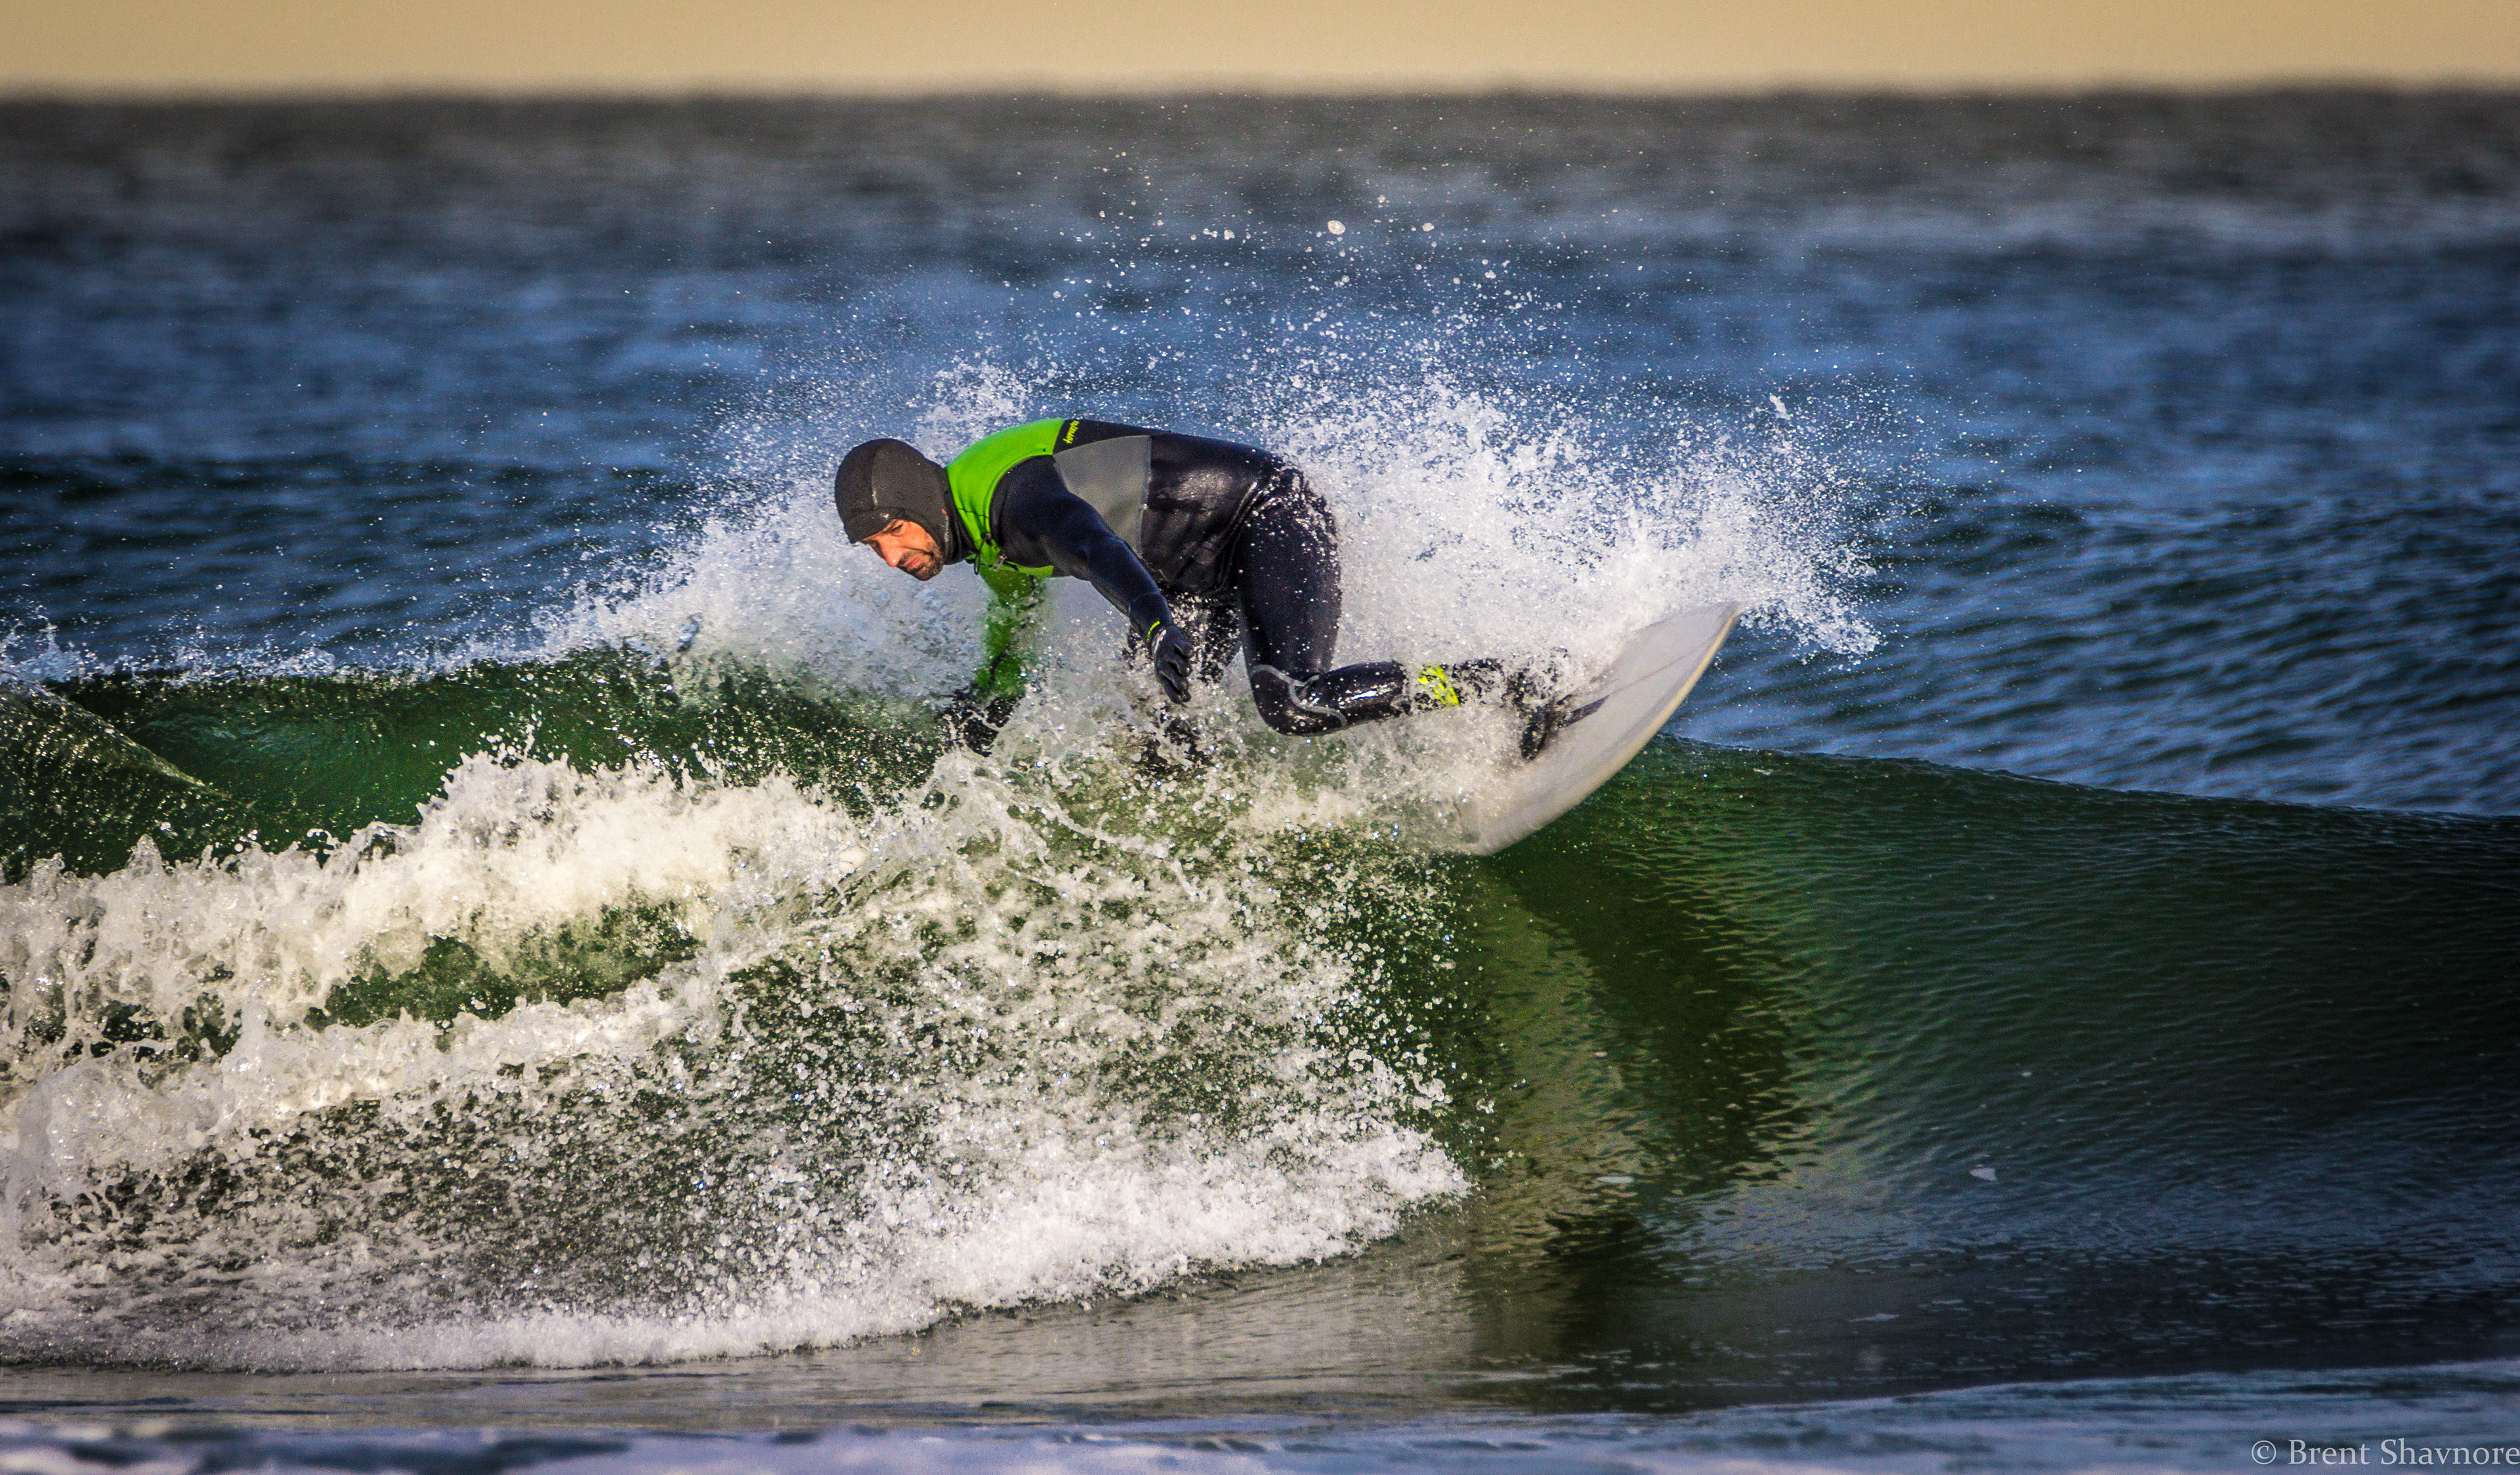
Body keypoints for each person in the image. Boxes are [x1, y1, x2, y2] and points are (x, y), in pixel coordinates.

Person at [833, 418, 1559, 755]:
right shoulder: (982, 540)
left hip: (1270, 517)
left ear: (915, 502)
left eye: (892, 533)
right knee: (1153, 740)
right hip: (1195, 574)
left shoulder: (1010, 500)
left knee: (1294, 701)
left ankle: (1506, 681)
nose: (893, 558)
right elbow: (1016, 625)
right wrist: (991, 703)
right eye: (875, 549)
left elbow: (1093, 545)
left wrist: (1153, 621)